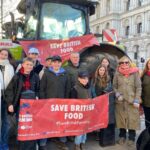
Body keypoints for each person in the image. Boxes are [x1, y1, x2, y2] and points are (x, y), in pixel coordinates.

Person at [5, 57, 40, 150]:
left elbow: (38, 89)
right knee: (21, 126)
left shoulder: (35, 76)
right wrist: (10, 104)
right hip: (20, 106)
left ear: (33, 66)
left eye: (31, 65)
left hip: (32, 107)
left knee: (32, 126)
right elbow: (9, 91)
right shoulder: (17, 76)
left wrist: (37, 96)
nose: (29, 66)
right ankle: (21, 145)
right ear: (23, 65)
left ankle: (31, 145)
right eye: (27, 64)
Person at [39, 55, 70, 150]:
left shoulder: (65, 74)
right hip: (48, 103)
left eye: (58, 62)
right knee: (46, 122)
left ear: (61, 63)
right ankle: (43, 143)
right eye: (54, 62)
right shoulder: (47, 73)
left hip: (61, 104)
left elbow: (67, 89)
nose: (56, 64)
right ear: (51, 63)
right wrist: (44, 101)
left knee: (61, 123)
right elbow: (42, 89)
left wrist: (65, 102)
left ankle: (62, 141)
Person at [113, 56, 141, 148]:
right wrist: (117, 95)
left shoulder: (135, 73)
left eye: (126, 62)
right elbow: (114, 86)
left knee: (132, 120)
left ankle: (132, 138)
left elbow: (138, 87)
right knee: (121, 120)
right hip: (120, 102)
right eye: (122, 63)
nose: (124, 64)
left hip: (132, 101)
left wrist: (137, 99)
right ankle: (122, 136)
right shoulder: (117, 73)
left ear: (129, 63)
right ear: (119, 64)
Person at [91, 65, 115, 145]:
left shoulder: (108, 79)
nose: (101, 71)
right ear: (98, 71)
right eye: (100, 70)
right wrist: (95, 99)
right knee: (97, 117)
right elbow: (92, 90)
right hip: (97, 100)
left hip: (105, 101)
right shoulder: (94, 79)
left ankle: (103, 133)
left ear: (105, 71)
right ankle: (97, 133)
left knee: (103, 117)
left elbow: (110, 89)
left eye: (103, 70)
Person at [70, 71, 91, 150]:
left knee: (85, 129)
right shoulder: (75, 88)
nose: (85, 80)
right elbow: (73, 102)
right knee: (79, 129)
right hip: (79, 112)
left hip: (87, 112)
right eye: (83, 78)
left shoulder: (89, 87)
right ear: (79, 79)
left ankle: (83, 143)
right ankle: (77, 144)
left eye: (86, 78)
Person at [0, 49, 15, 150]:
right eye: (2, 54)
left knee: (6, 122)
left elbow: (12, 84)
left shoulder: (10, 67)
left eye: (6, 55)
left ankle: (3, 143)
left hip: (7, 98)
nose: (3, 56)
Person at [141, 59, 150, 128]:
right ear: (147, 65)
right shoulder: (143, 75)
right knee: (147, 120)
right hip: (146, 102)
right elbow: (140, 88)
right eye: (149, 63)